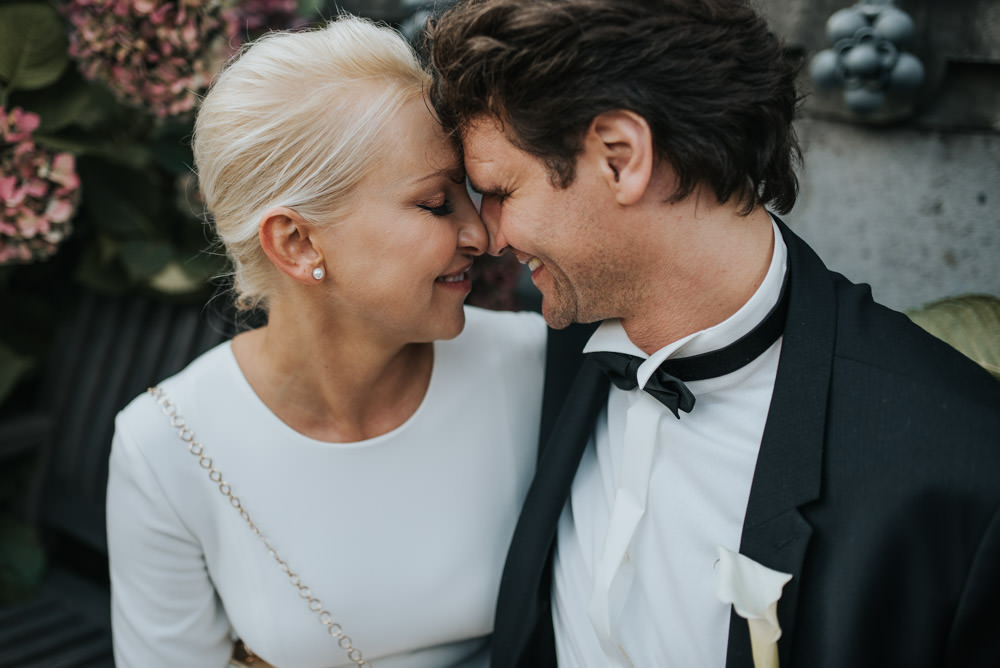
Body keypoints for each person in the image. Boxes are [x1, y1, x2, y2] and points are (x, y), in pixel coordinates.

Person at [425, 1, 1000, 666]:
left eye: (500, 190)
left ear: (620, 157)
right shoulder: (556, 347)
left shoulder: (964, 469)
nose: (490, 235)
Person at [106, 16, 547, 668]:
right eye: (434, 203)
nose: (480, 235)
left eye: (469, 194)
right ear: (297, 242)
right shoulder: (166, 446)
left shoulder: (535, 367)